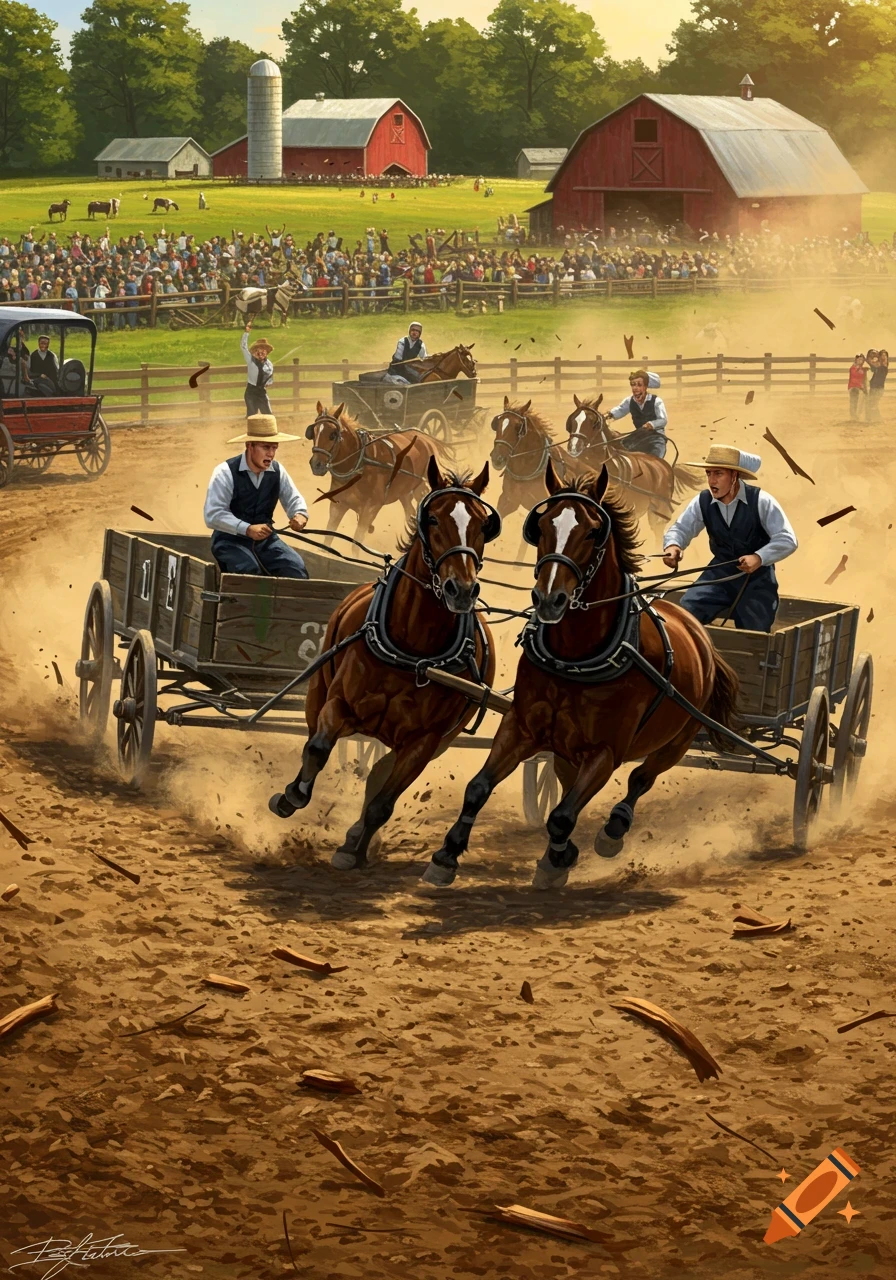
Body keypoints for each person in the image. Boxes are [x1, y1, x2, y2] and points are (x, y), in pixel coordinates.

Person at [662, 445, 797, 632]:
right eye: (708, 473)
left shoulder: (761, 501)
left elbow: (787, 539)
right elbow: (682, 527)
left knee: (753, 632)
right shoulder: (703, 501)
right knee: (685, 613)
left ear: (734, 476)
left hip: (757, 581)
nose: (711, 480)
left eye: (718, 474)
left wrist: (759, 558)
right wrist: (673, 545)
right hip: (718, 574)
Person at [204, 412, 309, 578]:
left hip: (265, 541)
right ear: (250, 446)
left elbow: (294, 499)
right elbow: (213, 515)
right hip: (229, 541)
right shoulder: (225, 472)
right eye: (266, 447)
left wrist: (299, 515)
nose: (271, 454)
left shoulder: (277, 471)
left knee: (296, 570)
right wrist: (246, 529)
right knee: (249, 571)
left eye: (274, 448)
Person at [606, 369, 667, 458]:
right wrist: (609, 415)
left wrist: (652, 424)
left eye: (639, 385)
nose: (635, 388)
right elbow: (620, 410)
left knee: (653, 462)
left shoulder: (656, 401)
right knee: (620, 451)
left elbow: (663, 420)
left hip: (655, 438)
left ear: (645, 386)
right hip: (639, 437)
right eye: (633, 385)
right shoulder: (629, 401)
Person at [241, 320, 274, 417]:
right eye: (258, 349)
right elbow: (243, 347)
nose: (261, 352)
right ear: (255, 351)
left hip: (262, 392)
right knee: (252, 416)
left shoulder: (269, 365)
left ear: (266, 352)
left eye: (263, 350)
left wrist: (269, 383)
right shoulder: (250, 360)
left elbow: (270, 377)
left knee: (269, 416)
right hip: (251, 392)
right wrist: (246, 333)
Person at [868, 349, 888, 422]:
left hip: (878, 388)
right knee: (871, 403)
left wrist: (868, 359)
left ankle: (878, 419)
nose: (883, 356)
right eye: (882, 355)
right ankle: (873, 418)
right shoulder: (878, 363)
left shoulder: (883, 364)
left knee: (873, 404)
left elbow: (873, 364)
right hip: (874, 387)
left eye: (885, 355)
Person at [847, 353, 867, 420]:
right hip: (853, 387)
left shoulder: (861, 368)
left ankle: (856, 415)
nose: (860, 361)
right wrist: (860, 386)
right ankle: (853, 416)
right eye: (859, 359)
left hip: (859, 387)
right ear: (856, 360)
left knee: (859, 402)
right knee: (854, 401)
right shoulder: (853, 368)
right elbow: (853, 378)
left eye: (862, 360)